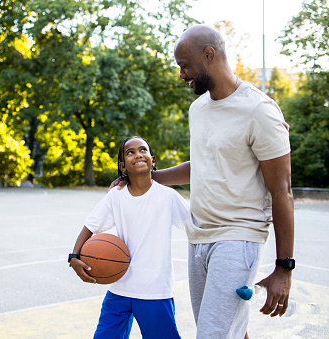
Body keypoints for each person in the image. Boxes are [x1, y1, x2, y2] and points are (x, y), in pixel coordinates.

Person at [112, 24, 295, 339]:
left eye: (185, 66)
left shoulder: (259, 110)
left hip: (239, 238)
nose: (182, 74)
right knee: (225, 330)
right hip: (199, 238)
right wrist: (148, 177)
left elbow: (283, 192)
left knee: (213, 334)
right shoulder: (198, 110)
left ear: (209, 55)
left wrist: (284, 267)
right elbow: (202, 166)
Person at [69, 136, 191, 339]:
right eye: (130, 152)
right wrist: (74, 256)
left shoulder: (168, 196)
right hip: (119, 288)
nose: (138, 154)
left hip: (155, 291)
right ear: (122, 166)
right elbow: (90, 225)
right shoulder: (116, 195)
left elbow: (197, 226)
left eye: (143, 150)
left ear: (152, 159)